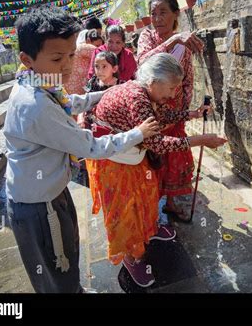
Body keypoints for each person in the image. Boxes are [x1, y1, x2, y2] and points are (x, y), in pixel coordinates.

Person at [4, 5, 160, 293]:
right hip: (39, 206)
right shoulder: (35, 106)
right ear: (27, 59)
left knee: (66, 254)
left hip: (49, 193)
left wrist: (111, 90)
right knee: (55, 265)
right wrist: (137, 133)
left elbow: (73, 102)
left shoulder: (39, 81)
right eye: (56, 58)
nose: (66, 65)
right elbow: (90, 145)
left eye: (71, 56)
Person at [86, 53, 227, 287]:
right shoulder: (137, 98)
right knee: (127, 210)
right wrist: (200, 140)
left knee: (146, 197)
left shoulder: (144, 91)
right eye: (171, 88)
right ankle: (132, 257)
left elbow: (160, 116)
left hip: (131, 155)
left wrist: (190, 114)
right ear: (153, 82)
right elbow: (158, 143)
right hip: (115, 162)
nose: (173, 94)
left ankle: (149, 230)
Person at [137, 0, 205, 220]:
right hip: (152, 109)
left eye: (163, 12)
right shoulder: (147, 36)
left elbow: (187, 79)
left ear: (176, 14)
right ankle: (150, 206)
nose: (157, 18)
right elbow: (143, 64)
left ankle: (173, 202)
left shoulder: (184, 44)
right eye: (153, 13)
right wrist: (171, 41)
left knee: (175, 156)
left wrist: (183, 111)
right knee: (153, 155)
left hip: (173, 110)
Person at [78, 51, 120, 129]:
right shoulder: (92, 81)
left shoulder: (120, 86)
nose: (100, 71)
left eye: (104, 66)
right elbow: (84, 100)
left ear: (114, 69)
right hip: (91, 124)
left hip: (110, 128)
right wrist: (80, 118)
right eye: (97, 66)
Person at [66, 29, 104, 95]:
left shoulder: (79, 48)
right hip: (78, 91)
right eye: (97, 45)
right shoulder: (85, 47)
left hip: (73, 91)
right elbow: (103, 55)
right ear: (88, 40)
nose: (99, 48)